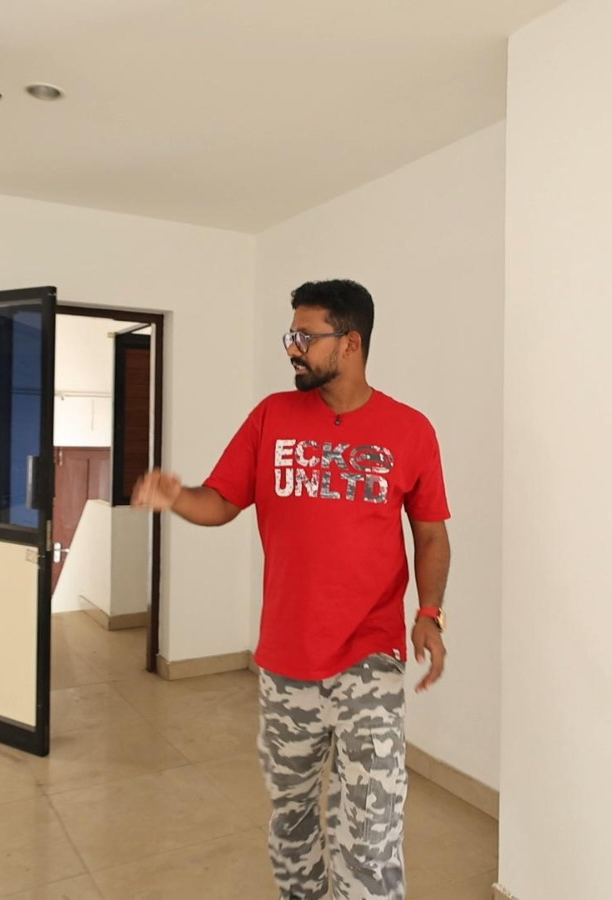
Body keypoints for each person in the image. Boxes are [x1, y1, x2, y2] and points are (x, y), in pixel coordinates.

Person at [132, 279, 451, 900]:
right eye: (291, 335)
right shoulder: (271, 417)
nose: (292, 349)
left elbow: (432, 534)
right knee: (295, 816)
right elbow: (221, 502)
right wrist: (177, 497)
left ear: (350, 343)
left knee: (374, 826)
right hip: (286, 659)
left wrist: (430, 613)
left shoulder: (410, 429)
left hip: (370, 654)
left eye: (306, 337)